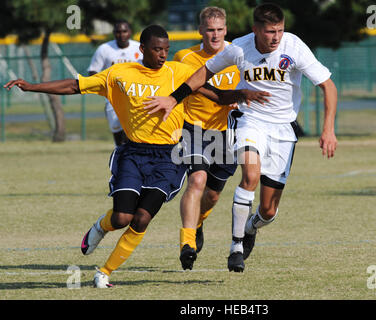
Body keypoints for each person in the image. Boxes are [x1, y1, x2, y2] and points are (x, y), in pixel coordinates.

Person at [4, 25, 269, 287]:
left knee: (142, 218)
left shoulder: (179, 72)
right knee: (121, 218)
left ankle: (105, 272)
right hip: (133, 153)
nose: (163, 54)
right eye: (157, 49)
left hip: (169, 158)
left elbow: (217, 95)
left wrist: (243, 93)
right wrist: (31, 86)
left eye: (166, 49)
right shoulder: (119, 74)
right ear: (142, 49)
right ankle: (100, 227)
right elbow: (75, 85)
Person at [143, 3, 338, 273]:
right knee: (250, 176)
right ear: (255, 30)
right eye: (270, 31)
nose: (276, 37)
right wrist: (173, 99)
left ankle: (251, 226)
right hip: (250, 120)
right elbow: (203, 73)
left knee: (268, 211)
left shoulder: (293, 47)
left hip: (283, 128)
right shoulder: (239, 48)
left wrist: (328, 129)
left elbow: (328, 85)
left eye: (280, 31)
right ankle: (235, 248)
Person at [172, 6, 241, 270]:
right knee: (196, 181)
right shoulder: (185, 57)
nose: (215, 35)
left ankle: (198, 222)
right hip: (194, 129)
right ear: (200, 30)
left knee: (212, 196)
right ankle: (187, 243)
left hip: (227, 133)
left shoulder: (237, 53)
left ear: (226, 30)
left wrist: (240, 101)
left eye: (220, 30)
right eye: (210, 30)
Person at [88, 20, 142, 146]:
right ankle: (119, 153)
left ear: (130, 32)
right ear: (114, 33)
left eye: (124, 31)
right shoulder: (104, 49)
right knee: (116, 129)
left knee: (134, 131)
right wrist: (104, 87)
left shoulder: (139, 48)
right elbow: (93, 71)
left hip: (135, 95)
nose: (121, 34)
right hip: (113, 96)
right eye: (118, 32)